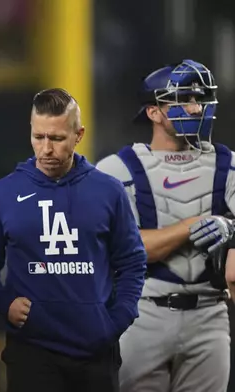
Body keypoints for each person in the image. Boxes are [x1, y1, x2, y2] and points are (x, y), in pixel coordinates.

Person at [0, 88, 147, 392]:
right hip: (31, 349)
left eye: (57, 139)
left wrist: (117, 318)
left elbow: (132, 261)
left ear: (78, 135)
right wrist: (2, 302)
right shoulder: (3, 193)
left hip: (96, 351)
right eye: (39, 137)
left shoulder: (109, 191)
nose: (46, 149)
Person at [95, 59, 233, 392]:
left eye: (201, 99)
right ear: (154, 111)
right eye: (185, 99)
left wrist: (231, 227)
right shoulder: (118, 169)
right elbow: (128, 250)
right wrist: (194, 224)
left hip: (210, 312)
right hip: (144, 312)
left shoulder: (227, 164)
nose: (196, 108)